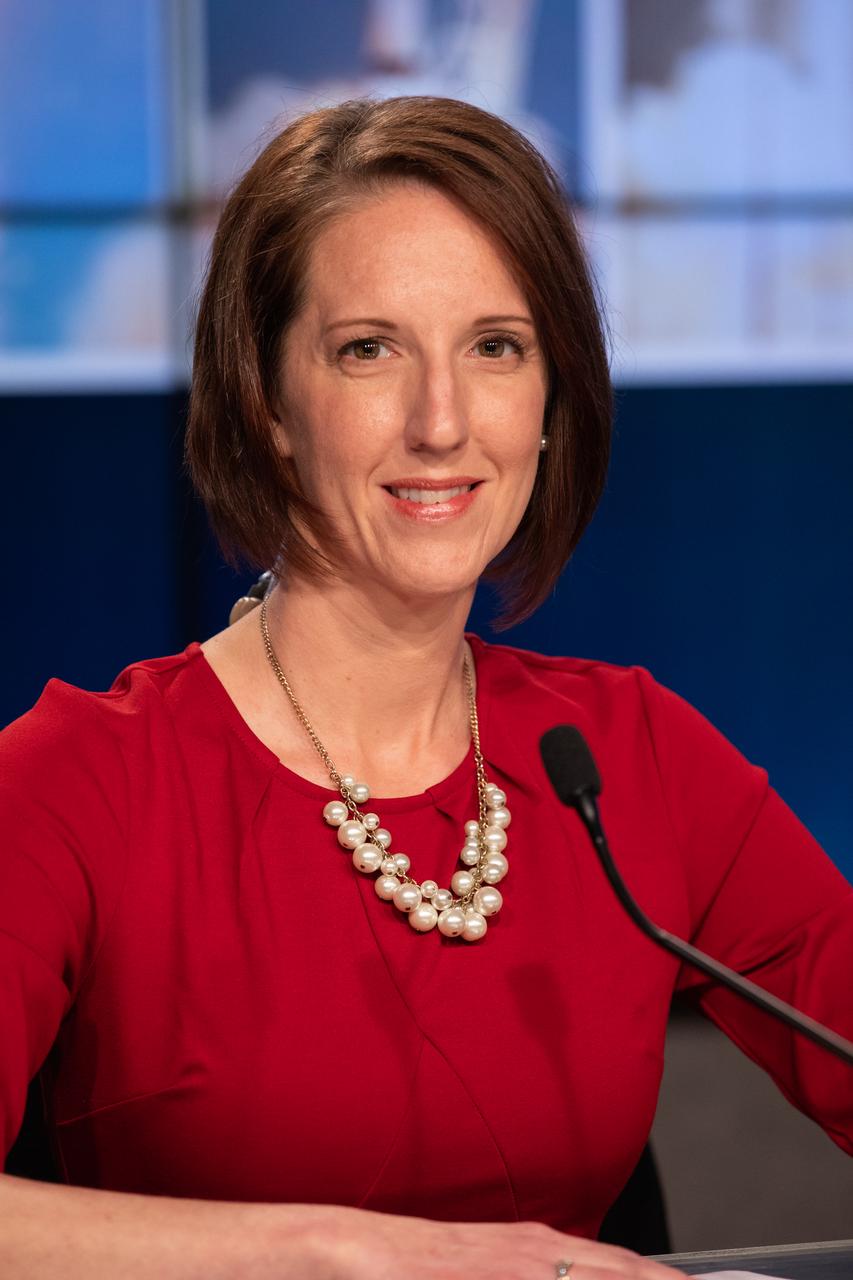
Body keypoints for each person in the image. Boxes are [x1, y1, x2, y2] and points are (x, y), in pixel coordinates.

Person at [1, 95, 851, 1278]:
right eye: (370, 349)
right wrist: (331, 1251)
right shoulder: (74, 783)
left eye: (495, 347)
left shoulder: (628, 754)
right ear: (267, 401)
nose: (441, 423)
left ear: (550, 399)